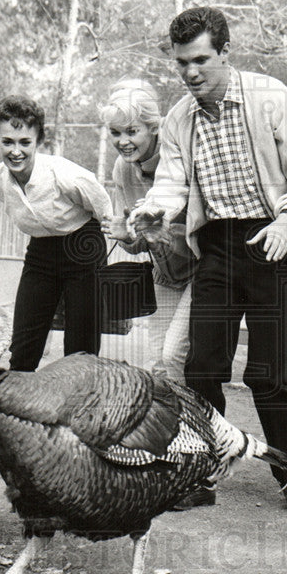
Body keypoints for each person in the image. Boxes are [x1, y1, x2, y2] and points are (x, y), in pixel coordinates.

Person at [128, 6, 287, 512]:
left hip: (278, 244)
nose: (191, 73)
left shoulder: (270, 97)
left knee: (269, 373)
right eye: (182, 63)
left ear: (226, 53)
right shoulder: (179, 118)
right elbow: (171, 182)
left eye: (201, 60)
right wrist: (155, 211)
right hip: (218, 245)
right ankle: (206, 474)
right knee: (202, 366)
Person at [0, 94, 112, 372]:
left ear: (38, 141)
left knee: (80, 352)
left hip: (82, 245)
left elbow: (101, 205)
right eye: (7, 142)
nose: (15, 151)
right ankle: (21, 410)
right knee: (23, 346)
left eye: (24, 142)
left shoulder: (63, 174)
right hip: (41, 251)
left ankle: (80, 411)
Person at [98, 81, 196, 381]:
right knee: (157, 363)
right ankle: (169, 426)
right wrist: (128, 237)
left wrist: (167, 233)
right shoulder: (122, 169)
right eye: (116, 133)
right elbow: (136, 238)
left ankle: (193, 424)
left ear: (153, 127)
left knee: (174, 355)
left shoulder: (179, 155)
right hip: (164, 273)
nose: (123, 141)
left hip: (200, 270)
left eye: (132, 131)